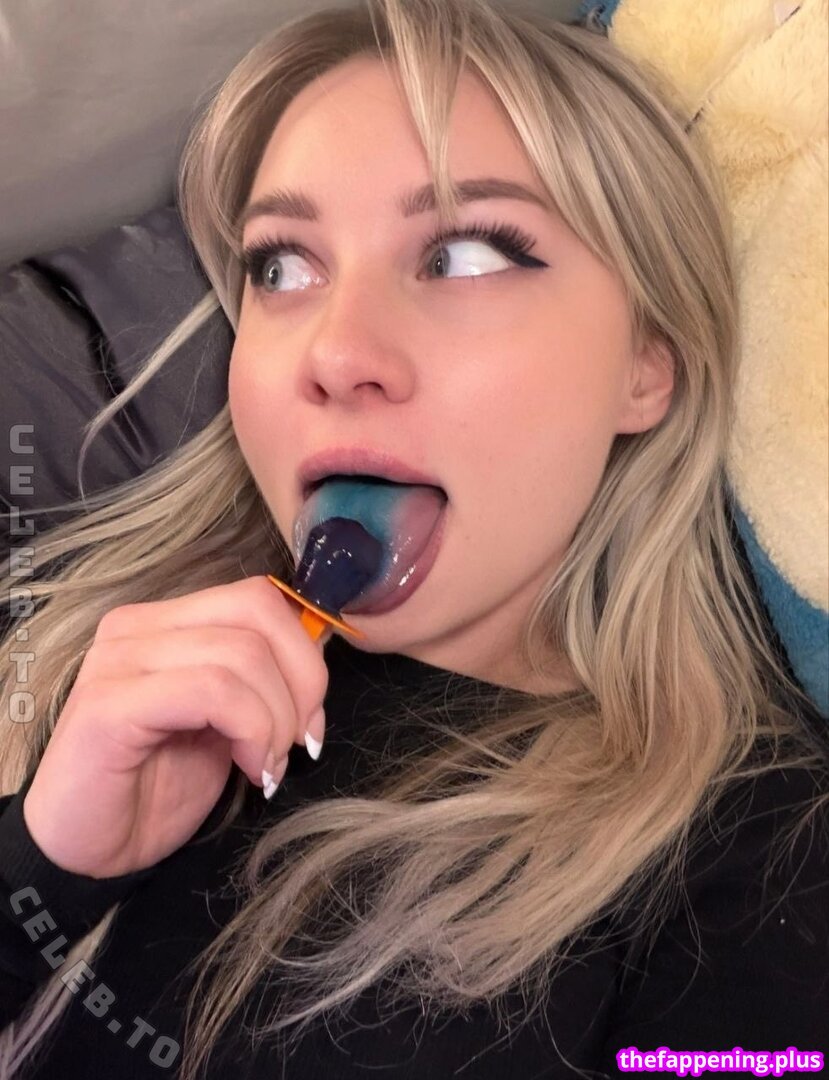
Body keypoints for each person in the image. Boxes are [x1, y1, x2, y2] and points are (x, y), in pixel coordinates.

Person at [0, 1, 826, 1077]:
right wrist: (44, 866)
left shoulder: (764, 868)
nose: (335, 353)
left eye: (465, 252)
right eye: (281, 267)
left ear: (646, 361)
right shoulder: (87, 666)